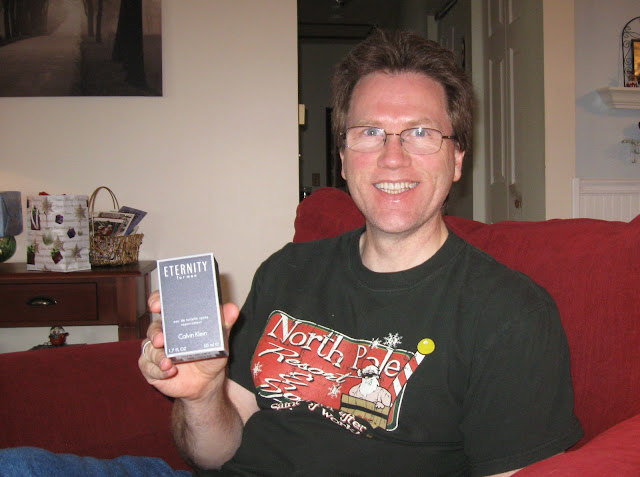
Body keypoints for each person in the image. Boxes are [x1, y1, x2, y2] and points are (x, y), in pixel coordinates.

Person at [0, 29, 582, 477]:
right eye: (370, 132)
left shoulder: (510, 314)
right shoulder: (288, 269)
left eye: (421, 133)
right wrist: (201, 395)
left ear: (457, 159)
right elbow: (211, 453)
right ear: (344, 156)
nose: (393, 157)